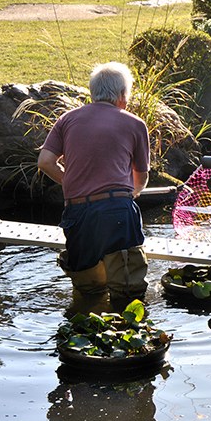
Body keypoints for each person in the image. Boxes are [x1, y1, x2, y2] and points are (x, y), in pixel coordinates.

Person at [37, 62, 150, 302]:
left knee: (87, 290)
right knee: (128, 289)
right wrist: (134, 191)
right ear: (121, 94)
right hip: (117, 210)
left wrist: (70, 181)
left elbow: (45, 162)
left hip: (78, 211)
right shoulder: (135, 123)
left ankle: (85, 329)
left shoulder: (66, 120)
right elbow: (140, 178)